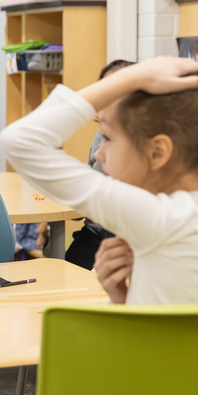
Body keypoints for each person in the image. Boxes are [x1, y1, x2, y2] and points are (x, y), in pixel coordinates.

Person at [0, 56, 198, 305]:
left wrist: (134, 77)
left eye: (106, 137)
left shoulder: (158, 218)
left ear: (157, 152)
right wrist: (124, 298)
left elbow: (19, 141)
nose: (98, 153)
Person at [64, 59, 135, 270]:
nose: (101, 155)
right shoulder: (101, 135)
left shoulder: (143, 140)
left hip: (121, 237)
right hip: (95, 233)